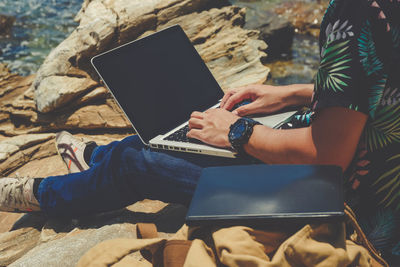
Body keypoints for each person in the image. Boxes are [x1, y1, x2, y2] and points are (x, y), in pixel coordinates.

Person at [0, 0, 399, 262]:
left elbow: (326, 158)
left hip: (342, 202)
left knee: (133, 162)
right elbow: (380, 91)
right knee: (164, 136)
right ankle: (93, 164)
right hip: (361, 175)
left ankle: (42, 195)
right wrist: (292, 93)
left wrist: (238, 132)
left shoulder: (357, 10)